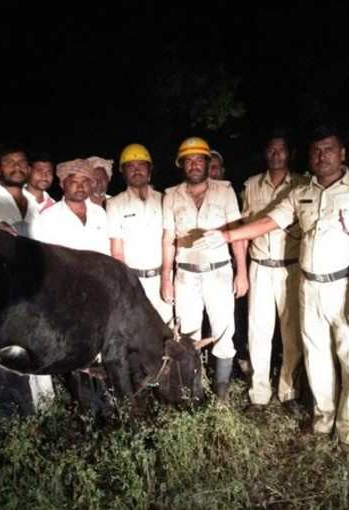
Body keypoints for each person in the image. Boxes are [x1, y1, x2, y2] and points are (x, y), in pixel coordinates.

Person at [197, 126, 349, 455]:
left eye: (329, 149)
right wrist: (228, 236)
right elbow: (270, 221)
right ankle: (322, 423)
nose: (322, 156)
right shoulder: (301, 192)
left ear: (342, 153)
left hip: (346, 285)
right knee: (317, 358)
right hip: (308, 284)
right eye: (316, 151)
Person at [161, 136, 248, 401]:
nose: (194, 165)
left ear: (208, 163)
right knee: (188, 334)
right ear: (182, 165)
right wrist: (167, 278)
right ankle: (192, 390)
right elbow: (168, 239)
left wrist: (242, 272)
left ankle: (221, 393)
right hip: (185, 274)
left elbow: (237, 233)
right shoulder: (171, 196)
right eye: (189, 161)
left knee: (224, 330)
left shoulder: (225, 191)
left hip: (219, 272)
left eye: (199, 159)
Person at [242, 130, 307, 408]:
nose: (276, 155)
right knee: (258, 332)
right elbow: (243, 230)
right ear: (265, 153)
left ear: (290, 153)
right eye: (271, 149)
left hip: (291, 268)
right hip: (259, 267)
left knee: (291, 333)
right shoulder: (251, 185)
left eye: (281, 149)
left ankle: (289, 390)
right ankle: (259, 393)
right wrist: (242, 271)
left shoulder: (303, 184)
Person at [107, 144, 172, 322]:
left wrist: (168, 279)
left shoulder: (165, 199)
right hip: (134, 281)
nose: (136, 171)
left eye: (141, 166)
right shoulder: (114, 204)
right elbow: (117, 251)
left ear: (150, 171)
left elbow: (170, 240)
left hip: (163, 278)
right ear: (123, 172)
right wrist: (126, 285)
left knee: (166, 330)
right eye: (130, 166)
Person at [30, 158, 109, 255]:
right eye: (74, 182)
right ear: (63, 184)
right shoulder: (48, 218)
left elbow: (107, 251)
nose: (80, 187)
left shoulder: (99, 213)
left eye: (85, 182)